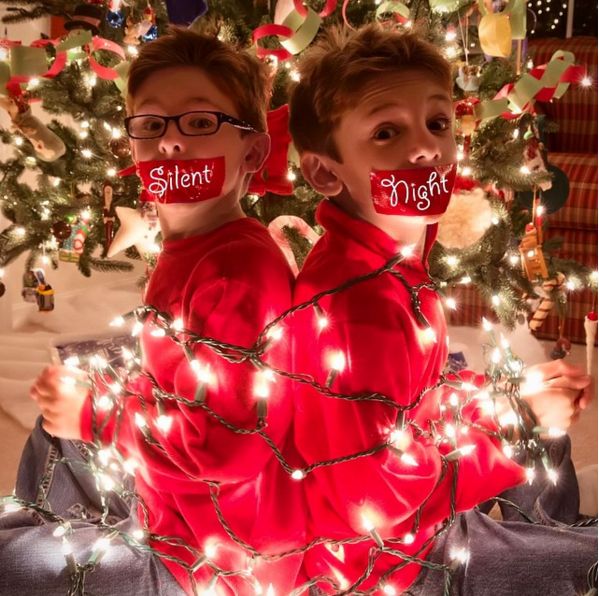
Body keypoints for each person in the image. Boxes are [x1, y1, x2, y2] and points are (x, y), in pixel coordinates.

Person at [288, 24, 596, 595]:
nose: (428, 146)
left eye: (437, 122)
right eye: (386, 131)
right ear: (325, 172)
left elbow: (416, 403)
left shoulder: (394, 257)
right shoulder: (360, 308)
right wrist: (514, 426)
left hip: (405, 528)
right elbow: (377, 500)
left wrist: (504, 399)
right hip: (385, 569)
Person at [1, 27, 304, 596]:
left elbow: (229, 449)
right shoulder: (192, 246)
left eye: (199, 122)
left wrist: (97, 418)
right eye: (152, 124)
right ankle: (59, 525)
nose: (170, 143)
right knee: (50, 440)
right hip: (175, 496)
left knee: (11, 561)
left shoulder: (235, 273)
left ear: (254, 152)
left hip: (219, 553)